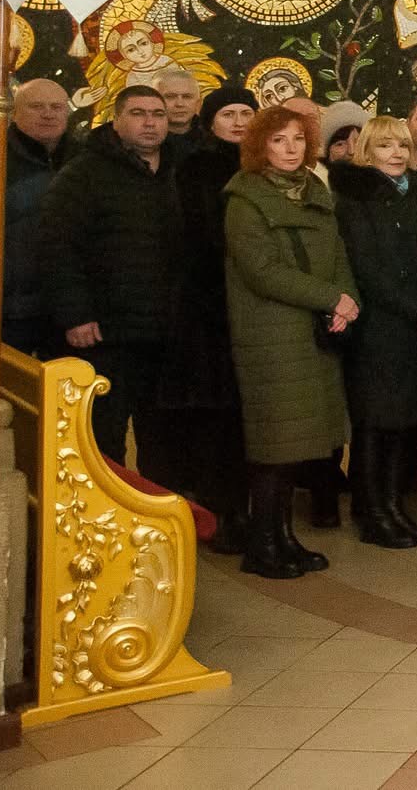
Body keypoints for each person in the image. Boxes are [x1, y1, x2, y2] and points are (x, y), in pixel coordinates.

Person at [222, 105, 359, 579]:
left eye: (298, 139)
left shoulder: (314, 191)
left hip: (313, 333)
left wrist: (347, 301)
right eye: (278, 140)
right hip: (271, 334)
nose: (290, 149)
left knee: (299, 443)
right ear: (260, 146)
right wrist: (330, 297)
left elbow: (338, 255)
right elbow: (262, 271)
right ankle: (262, 545)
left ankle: (283, 538)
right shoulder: (245, 199)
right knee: (274, 446)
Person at [37, 85, 183, 474]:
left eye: (158, 114)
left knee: (163, 438)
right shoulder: (85, 172)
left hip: (165, 333)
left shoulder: (178, 170)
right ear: (116, 121)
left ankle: (156, 509)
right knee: (104, 438)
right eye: (138, 113)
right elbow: (56, 245)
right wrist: (75, 315)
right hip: (105, 332)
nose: (150, 123)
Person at [331, 116, 417, 550]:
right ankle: (372, 511)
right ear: (366, 151)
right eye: (385, 145)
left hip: (414, 326)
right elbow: (366, 267)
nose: (396, 153)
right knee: (375, 422)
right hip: (378, 324)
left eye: (402, 145)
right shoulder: (355, 196)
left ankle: (393, 506)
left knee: (402, 422)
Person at [162, 85, 256, 552]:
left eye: (246, 113)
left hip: (256, 309)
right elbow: (199, 238)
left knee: (248, 418)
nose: (238, 122)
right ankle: (220, 513)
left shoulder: (264, 165)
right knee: (216, 418)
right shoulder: (196, 167)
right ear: (211, 121)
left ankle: (248, 509)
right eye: (228, 114)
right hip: (210, 310)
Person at [0, 78, 73, 354]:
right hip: (8, 308)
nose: (48, 114)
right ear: (14, 113)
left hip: (70, 309)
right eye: (36, 106)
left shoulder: (85, 160)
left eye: (56, 107)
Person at [156, 69, 203, 165]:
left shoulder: (214, 141)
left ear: (198, 103)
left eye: (187, 97)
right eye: (170, 97)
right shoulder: (138, 140)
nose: (179, 104)